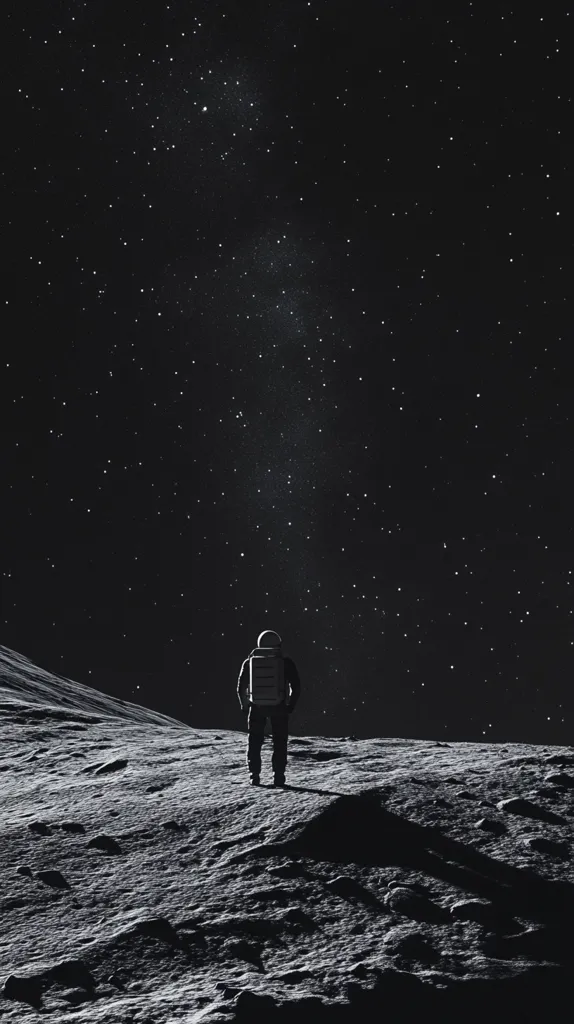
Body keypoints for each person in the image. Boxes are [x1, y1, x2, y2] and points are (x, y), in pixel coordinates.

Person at [237, 630, 300, 787]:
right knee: (279, 742)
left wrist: (245, 704)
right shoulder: (286, 662)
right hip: (279, 707)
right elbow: (296, 686)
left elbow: (240, 687)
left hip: (256, 707)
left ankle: (254, 775)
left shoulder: (249, 662)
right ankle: (279, 776)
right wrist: (290, 705)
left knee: (255, 741)